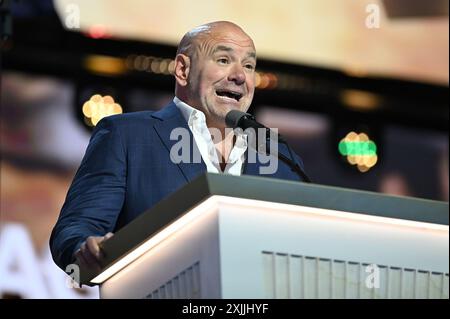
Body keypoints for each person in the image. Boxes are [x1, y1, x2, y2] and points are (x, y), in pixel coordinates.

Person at [50, 21, 308, 272]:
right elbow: (76, 230)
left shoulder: (281, 159)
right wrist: (85, 249)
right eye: (223, 60)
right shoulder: (127, 136)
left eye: (249, 65)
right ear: (183, 70)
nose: (240, 76)